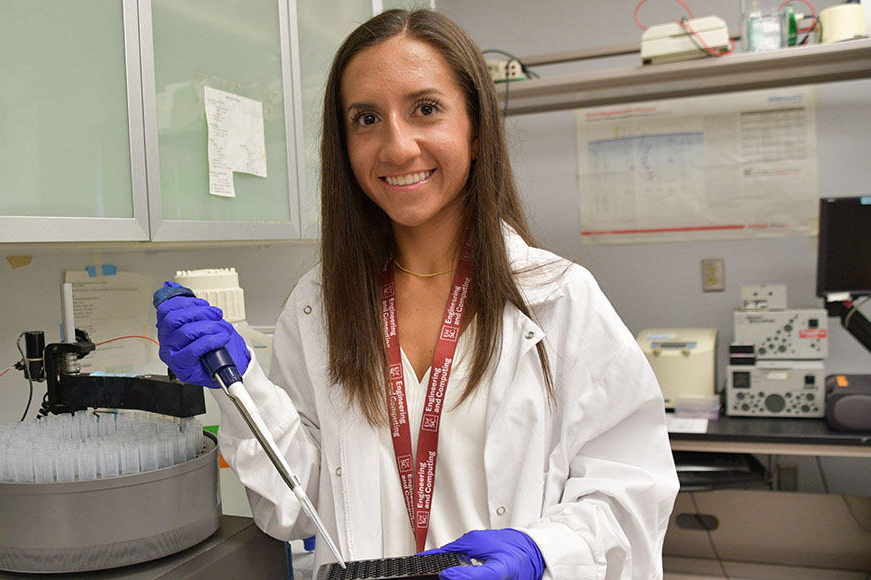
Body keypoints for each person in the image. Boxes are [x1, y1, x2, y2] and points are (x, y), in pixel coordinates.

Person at [155, 8, 679, 580]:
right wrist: (241, 387)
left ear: (476, 130)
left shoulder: (559, 301)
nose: (397, 147)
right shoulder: (319, 308)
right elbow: (298, 507)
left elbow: (633, 491)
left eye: (425, 109)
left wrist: (543, 553)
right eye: (366, 118)